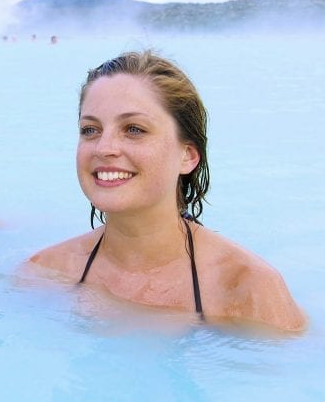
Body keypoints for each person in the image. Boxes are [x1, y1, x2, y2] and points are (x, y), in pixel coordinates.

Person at [30, 50, 306, 331]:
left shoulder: (246, 289)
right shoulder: (47, 272)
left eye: (134, 129)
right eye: (90, 130)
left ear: (187, 156)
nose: (104, 148)